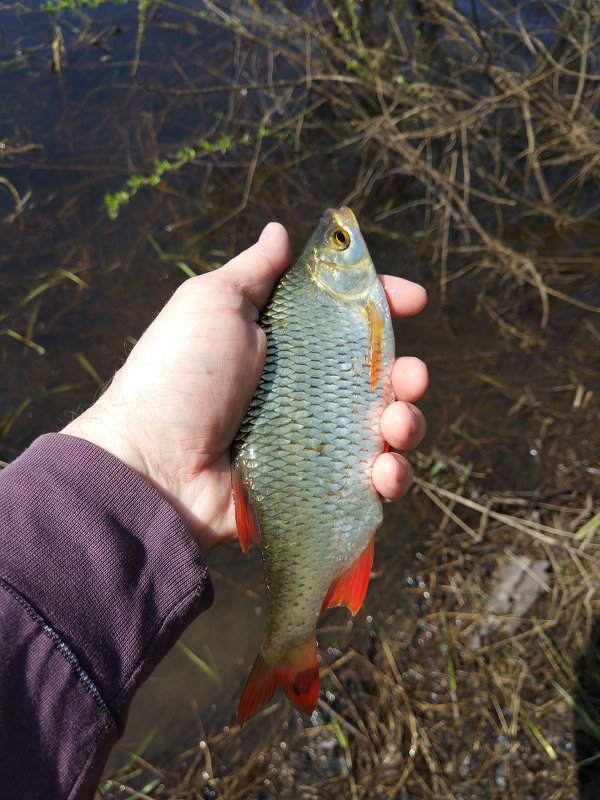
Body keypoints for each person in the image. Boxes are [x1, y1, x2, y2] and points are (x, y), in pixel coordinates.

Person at [0, 222, 428, 799]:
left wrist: (140, 460)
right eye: (339, 241)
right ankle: (289, 643)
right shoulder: (322, 297)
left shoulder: (316, 298)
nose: (343, 235)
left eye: (337, 240)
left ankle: (289, 643)